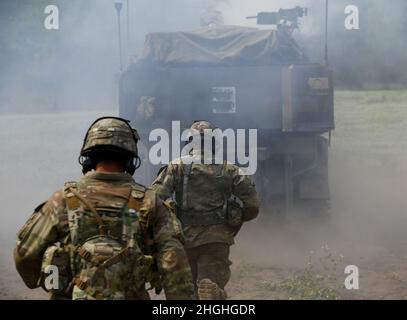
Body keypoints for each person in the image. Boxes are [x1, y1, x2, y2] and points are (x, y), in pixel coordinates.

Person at [14, 117, 194, 300]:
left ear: (88, 158)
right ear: (131, 160)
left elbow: (26, 255)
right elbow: (175, 266)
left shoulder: (62, 200)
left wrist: (45, 283)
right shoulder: (150, 202)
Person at [152, 120, 259, 300]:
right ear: (215, 143)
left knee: (184, 294)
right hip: (216, 240)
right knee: (210, 290)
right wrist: (235, 221)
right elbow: (253, 206)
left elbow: (153, 200)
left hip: (182, 240)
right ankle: (215, 294)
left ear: (190, 142)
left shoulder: (175, 167)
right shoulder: (230, 170)